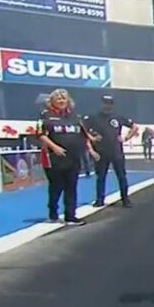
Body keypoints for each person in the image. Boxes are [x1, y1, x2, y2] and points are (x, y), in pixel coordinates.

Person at [35, 89, 99, 225]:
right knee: (56, 186)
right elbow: (40, 134)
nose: (61, 100)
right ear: (52, 101)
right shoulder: (45, 115)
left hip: (73, 157)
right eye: (58, 98)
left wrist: (91, 150)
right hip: (54, 158)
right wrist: (54, 147)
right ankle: (53, 213)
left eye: (64, 98)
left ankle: (71, 216)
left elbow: (84, 135)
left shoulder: (75, 117)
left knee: (71, 186)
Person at [84, 95, 138, 208]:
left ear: (112, 105)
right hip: (101, 151)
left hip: (116, 151)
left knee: (121, 176)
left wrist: (126, 138)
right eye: (105, 103)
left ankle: (125, 199)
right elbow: (83, 129)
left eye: (109, 103)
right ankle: (99, 199)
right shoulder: (93, 117)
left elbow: (134, 127)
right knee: (101, 177)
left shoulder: (118, 117)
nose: (107, 105)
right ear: (101, 103)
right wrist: (91, 139)